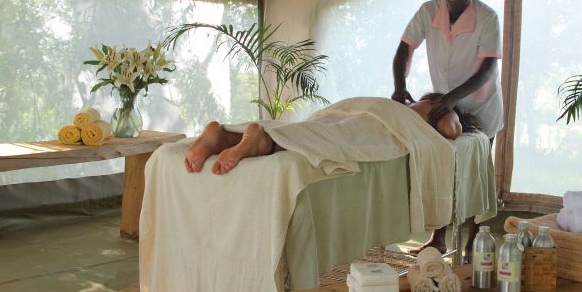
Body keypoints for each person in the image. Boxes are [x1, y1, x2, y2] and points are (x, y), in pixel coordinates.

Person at [391, 0, 504, 261]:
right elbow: (404, 49)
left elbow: (487, 70)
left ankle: (470, 244)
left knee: (473, 174)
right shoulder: (429, 12)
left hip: (479, 104)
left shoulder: (487, 18)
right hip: (444, 104)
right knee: (443, 169)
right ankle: (438, 239)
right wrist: (400, 87)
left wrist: (453, 98)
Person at [182, 94, 473, 175]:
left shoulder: (412, 103)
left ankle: (227, 136)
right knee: (330, 140)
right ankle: (262, 139)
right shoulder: (441, 107)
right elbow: (450, 130)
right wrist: (455, 113)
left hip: (355, 109)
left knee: (314, 131)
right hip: (378, 122)